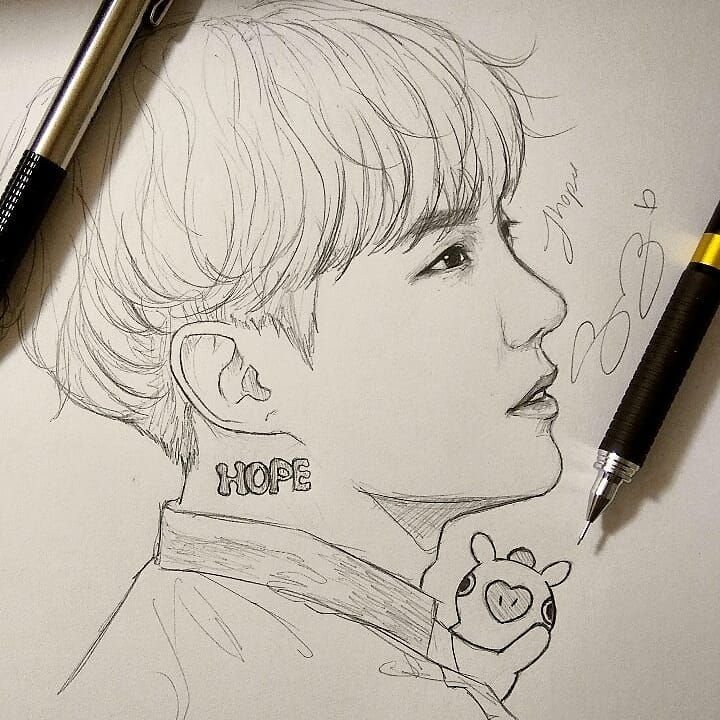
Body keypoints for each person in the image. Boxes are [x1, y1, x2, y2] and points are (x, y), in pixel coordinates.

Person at [15, 1, 567, 717]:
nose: (545, 305)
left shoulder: (168, 637)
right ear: (237, 378)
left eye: (506, 232)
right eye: (448, 256)